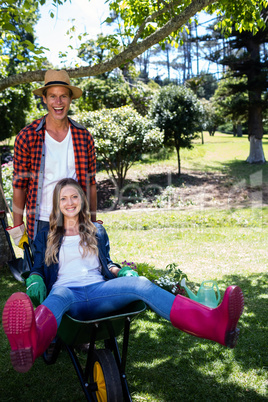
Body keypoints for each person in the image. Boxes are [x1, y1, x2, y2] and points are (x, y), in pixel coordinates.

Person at [2, 178, 244, 374]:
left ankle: (215, 325)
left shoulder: (97, 230)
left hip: (99, 292)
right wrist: (34, 278)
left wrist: (123, 271)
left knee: (141, 284)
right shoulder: (46, 235)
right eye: (63, 198)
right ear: (57, 204)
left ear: (82, 200)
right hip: (67, 294)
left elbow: (106, 263)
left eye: (74, 196)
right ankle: (29, 346)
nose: (70, 202)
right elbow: (39, 269)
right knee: (56, 298)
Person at [7, 69, 97, 246]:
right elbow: (19, 185)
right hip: (41, 221)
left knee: (75, 272)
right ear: (44, 99)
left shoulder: (83, 136)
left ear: (70, 99)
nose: (58, 102)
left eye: (63, 96)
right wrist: (18, 227)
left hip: (76, 219)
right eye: (53, 96)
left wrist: (92, 220)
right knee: (39, 273)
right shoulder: (28, 136)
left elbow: (91, 182)